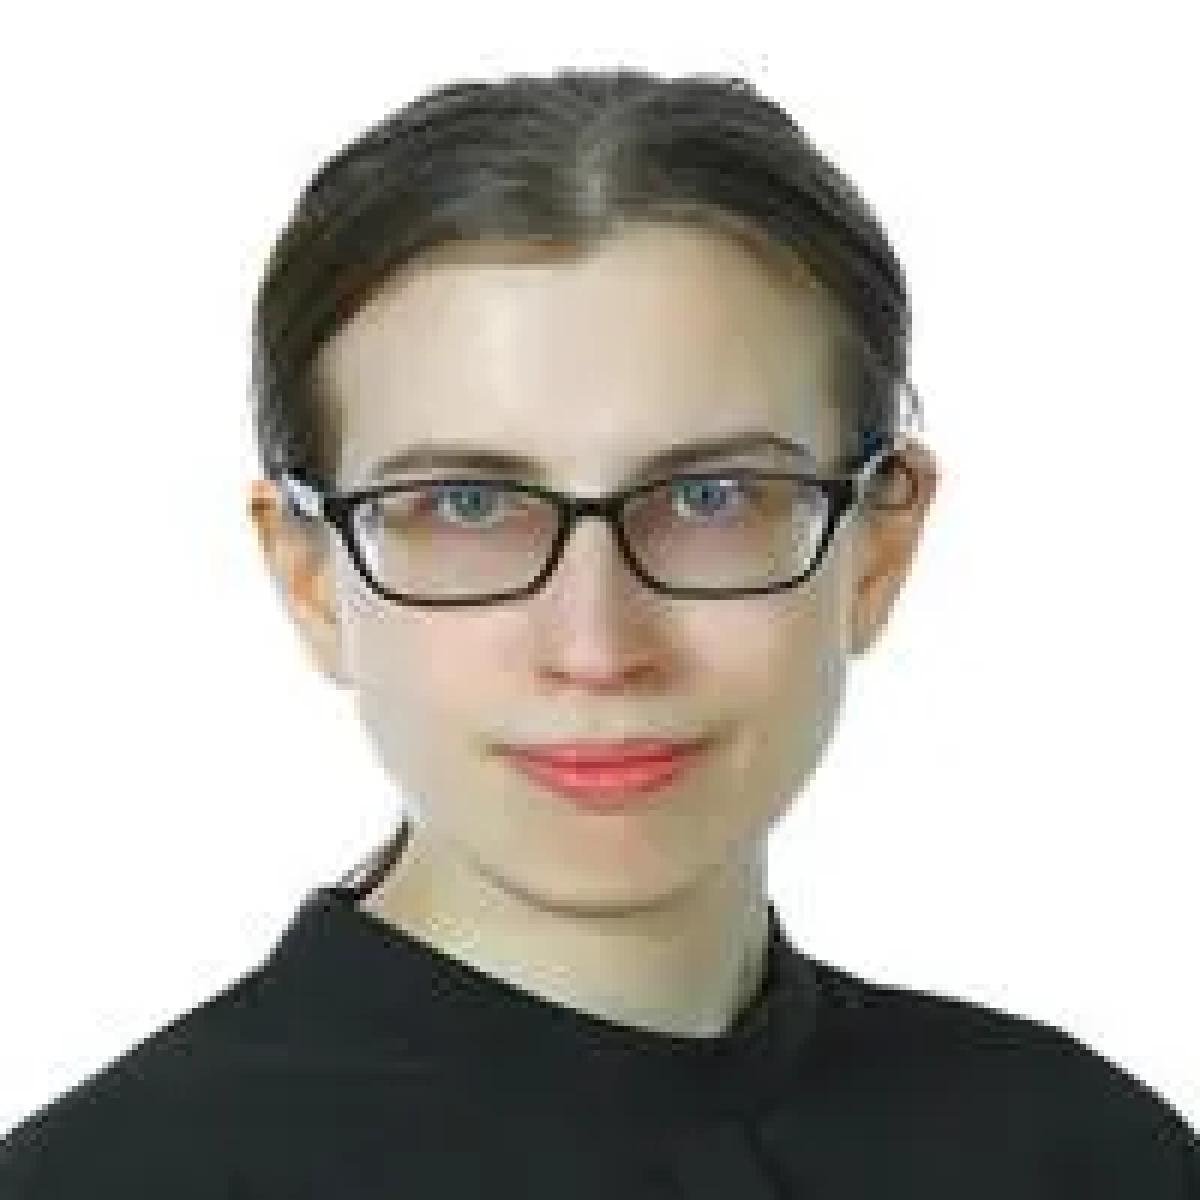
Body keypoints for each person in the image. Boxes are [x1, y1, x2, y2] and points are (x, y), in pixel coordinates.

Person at [2, 68, 1195, 1198]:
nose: (597, 645)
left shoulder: (1085, 1155)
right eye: (467, 506)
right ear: (309, 577)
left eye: (712, 498)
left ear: (878, 548)